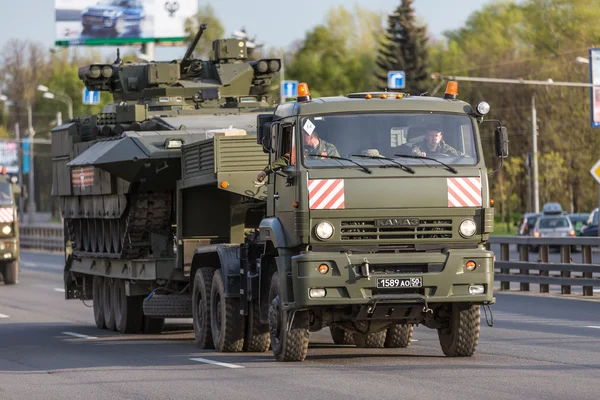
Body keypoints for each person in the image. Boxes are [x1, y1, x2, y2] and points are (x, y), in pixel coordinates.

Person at [256, 129, 339, 183]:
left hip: (327, 182)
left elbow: (338, 165)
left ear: (311, 136)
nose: (301, 138)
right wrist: (265, 171)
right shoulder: (300, 149)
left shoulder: (329, 149)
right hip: (307, 183)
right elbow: (285, 159)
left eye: (303, 136)